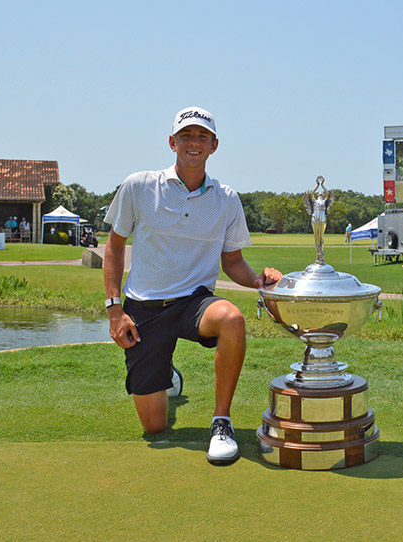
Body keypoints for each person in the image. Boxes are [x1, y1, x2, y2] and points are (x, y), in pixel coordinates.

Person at [103, 106, 282, 466]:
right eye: (186, 135)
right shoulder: (139, 186)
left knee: (231, 318)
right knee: (154, 427)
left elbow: (232, 262)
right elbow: (114, 245)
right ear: (172, 142)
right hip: (144, 310)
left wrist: (259, 281)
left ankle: (221, 422)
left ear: (215, 145)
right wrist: (115, 310)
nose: (193, 143)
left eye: (202, 136)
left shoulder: (226, 199)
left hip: (193, 304)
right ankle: (167, 373)